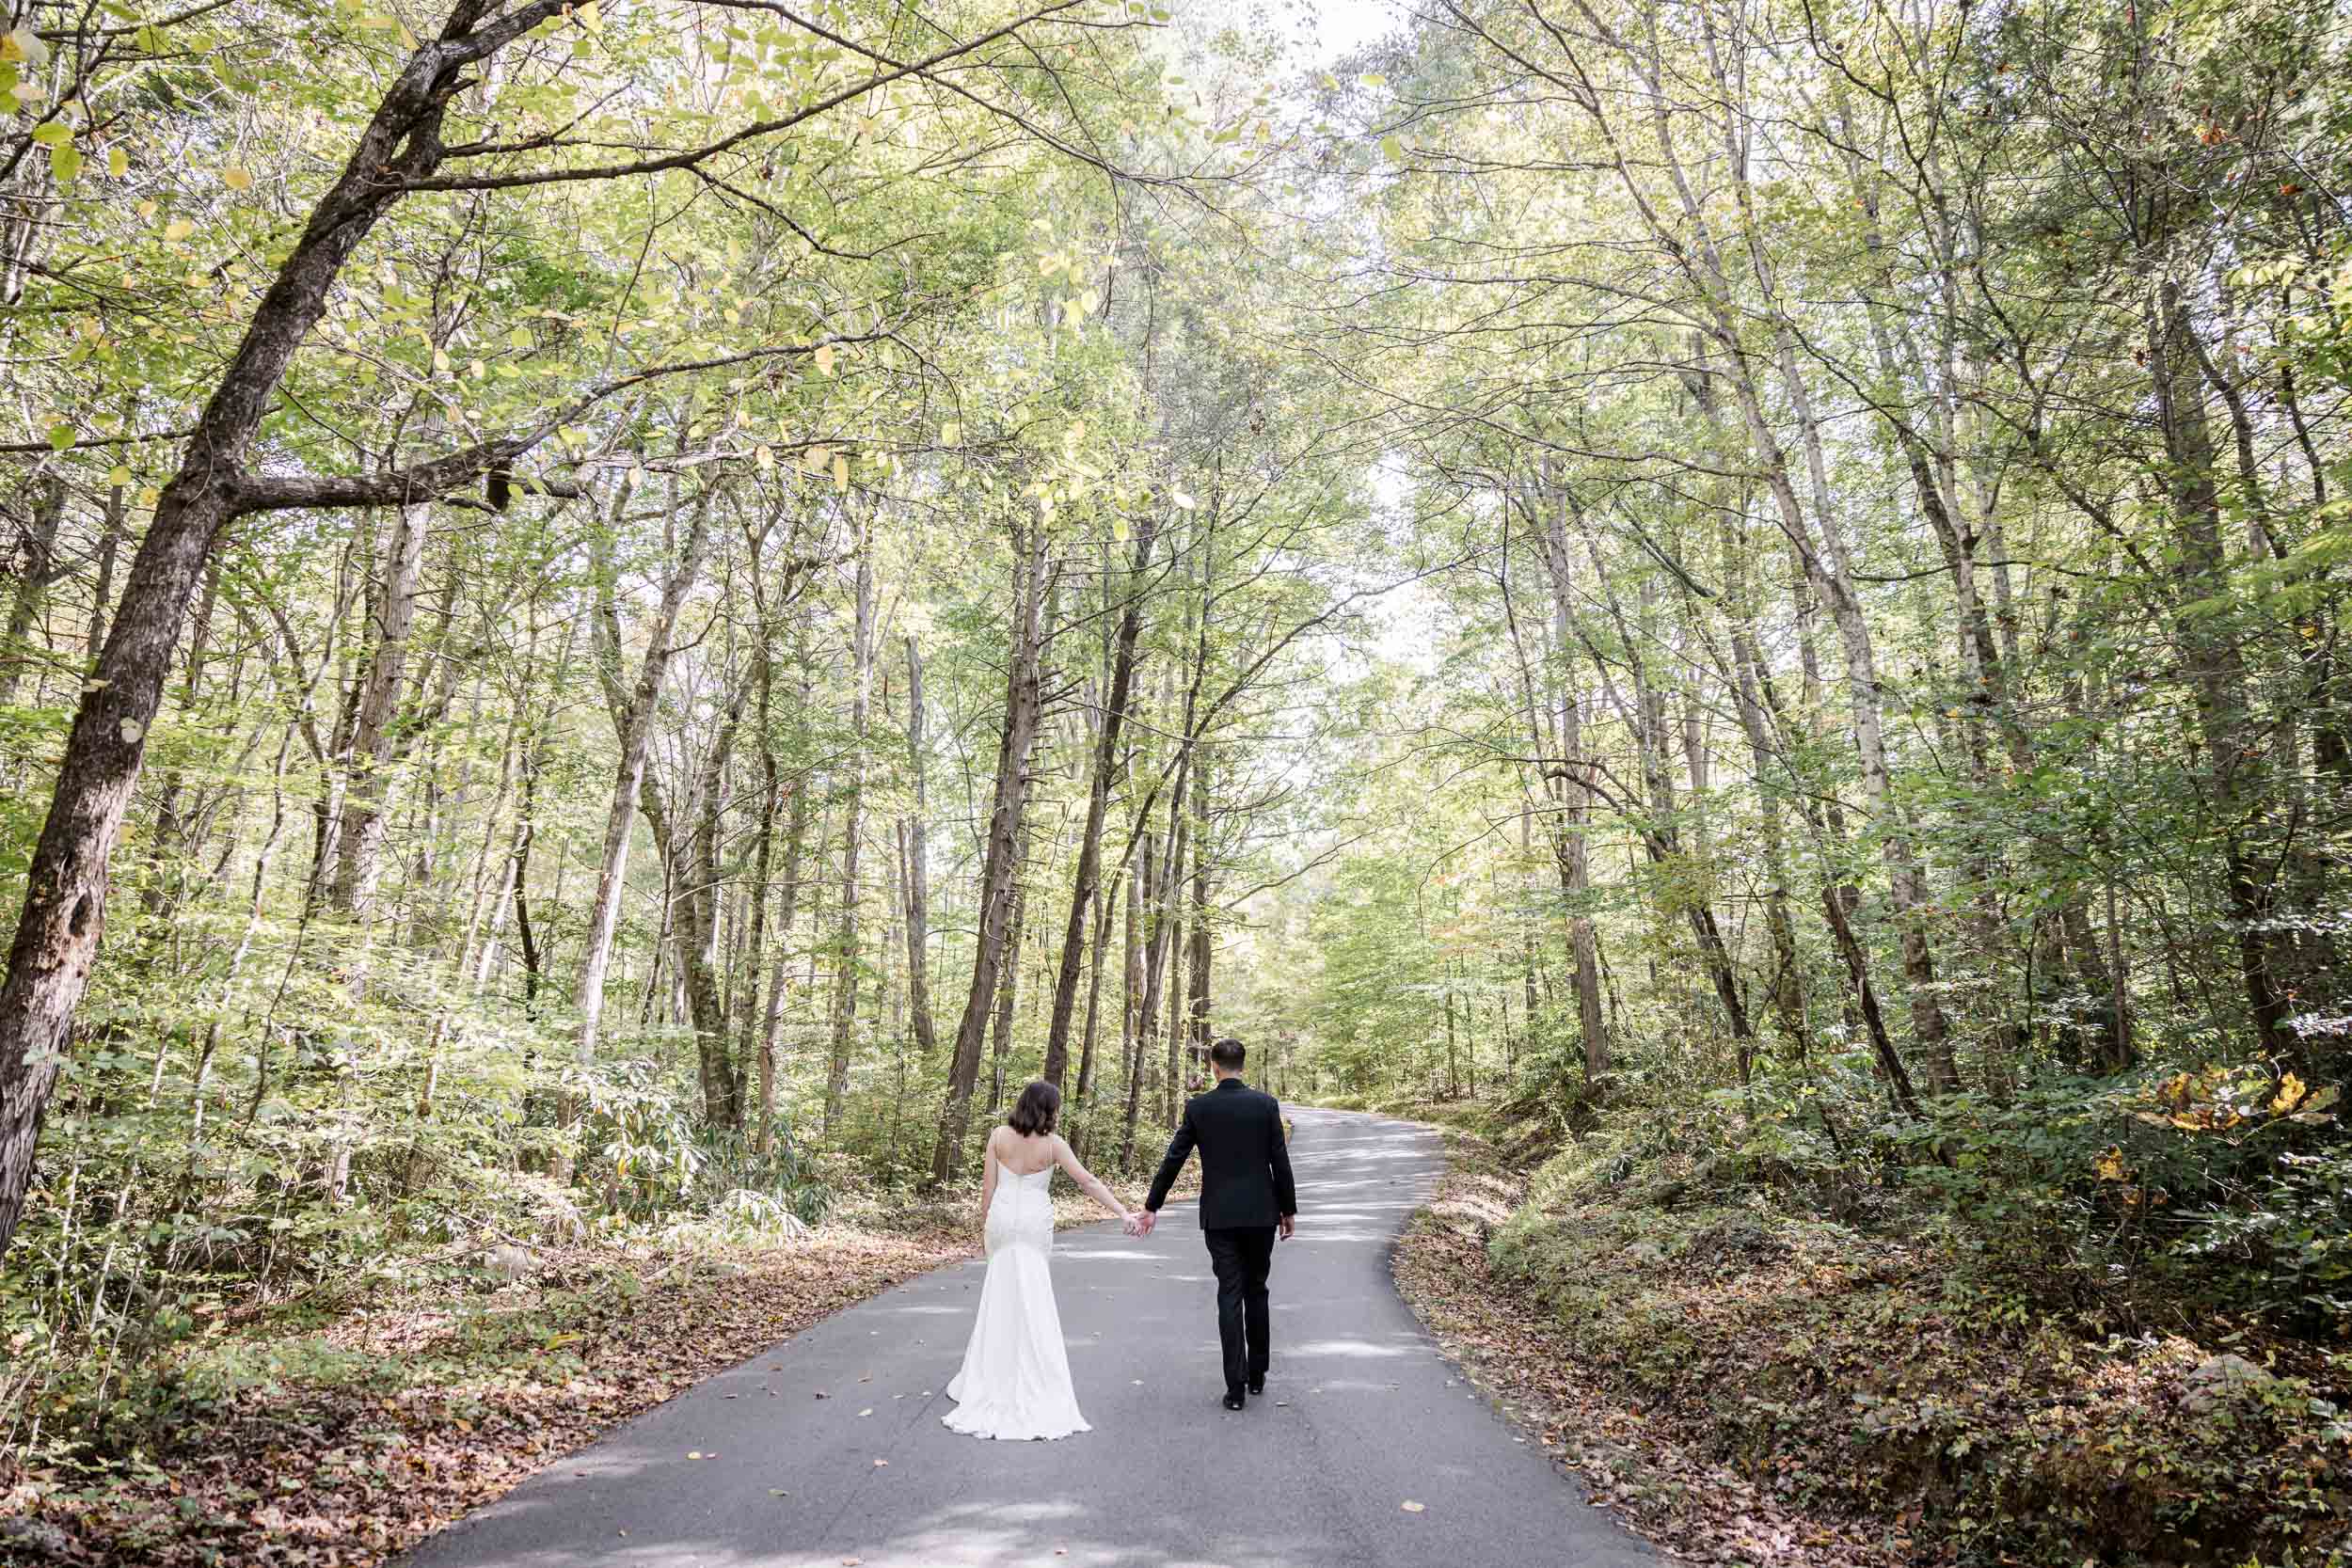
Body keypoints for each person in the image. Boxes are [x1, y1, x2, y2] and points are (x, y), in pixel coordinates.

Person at [941, 1080, 1135, 1440]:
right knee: (1033, 1296)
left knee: (1000, 1296)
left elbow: (988, 1189)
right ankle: (1035, 1373)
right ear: (1049, 1110)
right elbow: (1088, 1182)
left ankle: (991, 1375)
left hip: (1001, 1221)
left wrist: (985, 1227)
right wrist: (1123, 1212)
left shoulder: (998, 1136)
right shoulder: (1052, 1145)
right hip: (1032, 1225)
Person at [1133, 1037, 1297, 1410]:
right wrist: (1288, 1210)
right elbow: (1280, 1161)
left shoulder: (1200, 1108)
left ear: (1214, 1067)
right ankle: (1257, 1374)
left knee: (1229, 1293)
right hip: (1261, 1214)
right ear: (1243, 1066)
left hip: (1220, 1217)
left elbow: (1174, 1158)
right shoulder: (1265, 1105)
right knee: (1257, 1289)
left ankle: (1235, 1388)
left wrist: (1152, 1205)